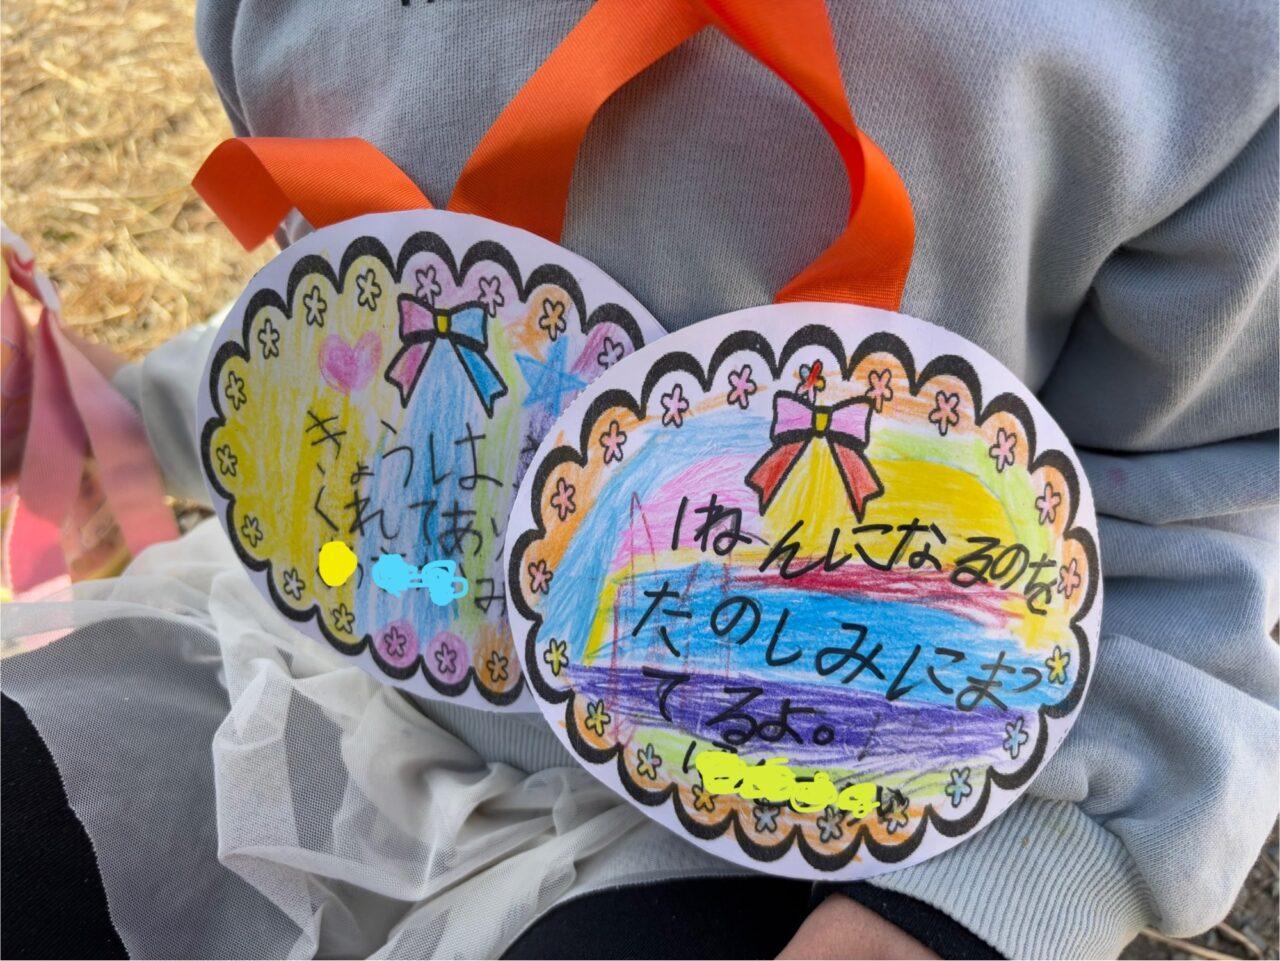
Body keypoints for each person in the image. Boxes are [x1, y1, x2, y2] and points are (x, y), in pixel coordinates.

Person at [3, 1, 1276, 958]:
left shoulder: (1204, 44)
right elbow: (365, 316)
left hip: (801, 808)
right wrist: (131, 416)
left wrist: (990, 897)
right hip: (331, 656)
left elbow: (1194, 495)